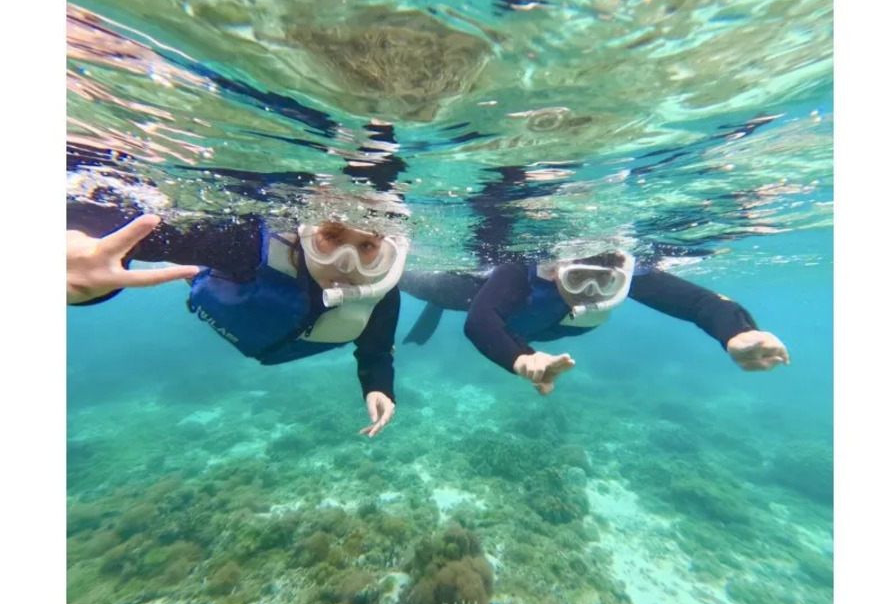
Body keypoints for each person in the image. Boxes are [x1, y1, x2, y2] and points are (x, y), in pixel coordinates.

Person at [67, 193, 410, 438]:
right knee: (200, 267)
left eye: (367, 246)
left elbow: (376, 349)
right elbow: (131, 233)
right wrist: (77, 252)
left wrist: (379, 386)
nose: (345, 263)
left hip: (266, 330)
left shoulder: (379, 294)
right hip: (233, 289)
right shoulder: (247, 245)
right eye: (331, 238)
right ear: (306, 232)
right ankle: (200, 276)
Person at [401, 247, 789, 395]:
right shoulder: (519, 274)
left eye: (603, 282)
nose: (589, 292)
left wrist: (738, 333)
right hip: (468, 294)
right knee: (412, 281)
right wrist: (521, 359)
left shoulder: (625, 275)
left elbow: (700, 304)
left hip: (530, 328)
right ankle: (425, 294)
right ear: (555, 269)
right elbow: (481, 323)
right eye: (577, 279)